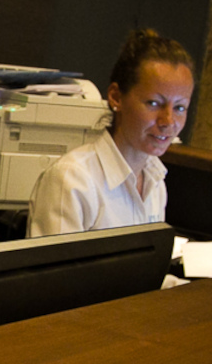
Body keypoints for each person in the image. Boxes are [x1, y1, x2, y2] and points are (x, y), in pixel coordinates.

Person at [25, 29, 195, 238]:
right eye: (153, 103)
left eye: (179, 108)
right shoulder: (72, 179)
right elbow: (55, 260)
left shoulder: (156, 180)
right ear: (116, 97)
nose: (168, 121)